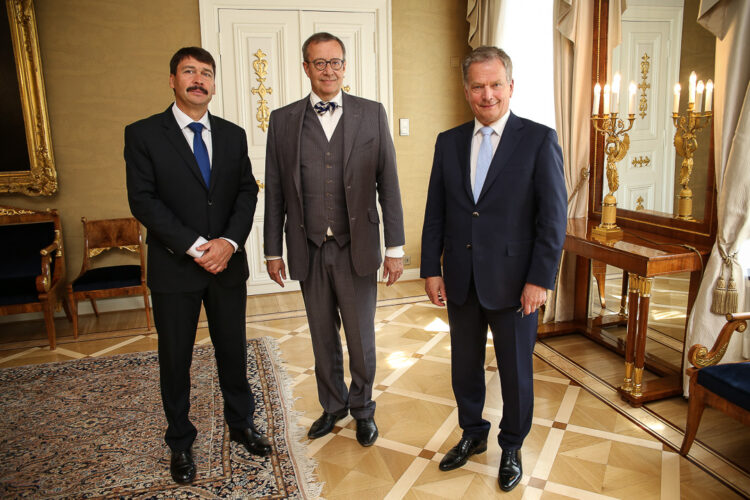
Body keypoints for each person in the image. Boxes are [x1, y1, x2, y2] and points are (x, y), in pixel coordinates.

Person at [420, 46, 566, 492]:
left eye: (495, 84)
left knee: (516, 371)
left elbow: (552, 218)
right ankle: (472, 434)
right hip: (461, 279)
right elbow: (436, 212)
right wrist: (431, 268)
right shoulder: (448, 141)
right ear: (466, 91)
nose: (488, 95)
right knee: (464, 365)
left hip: (516, 284)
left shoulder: (539, 139)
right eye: (478, 86)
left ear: (511, 87)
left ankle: (513, 446)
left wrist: (539, 280)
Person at [125, 46, 271, 485]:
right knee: (176, 359)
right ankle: (180, 440)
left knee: (232, 351)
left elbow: (247, 191)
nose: (198, 80)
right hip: (175, 268)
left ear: (213, 82)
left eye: (206, 73)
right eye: (189, 71)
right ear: (172, 79)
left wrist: (227, 242)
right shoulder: (144, 134)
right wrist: (195, 246)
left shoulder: (232, 134)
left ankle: (242, 424)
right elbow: (143, 201)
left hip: (227, 266)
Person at [263, 32, 405, 447]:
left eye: (336, 62)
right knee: (321, 335)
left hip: (355, 248)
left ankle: (363, 409)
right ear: (305, 67)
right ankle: (332, 406)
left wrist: (395, 249)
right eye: (319, 63)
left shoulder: (372, 114)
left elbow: (389, 185)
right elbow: (274, 190)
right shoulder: (283, 120)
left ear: (345, 66)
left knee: (361, 337)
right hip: (307, 247)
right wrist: (274, 250)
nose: (329, 70)